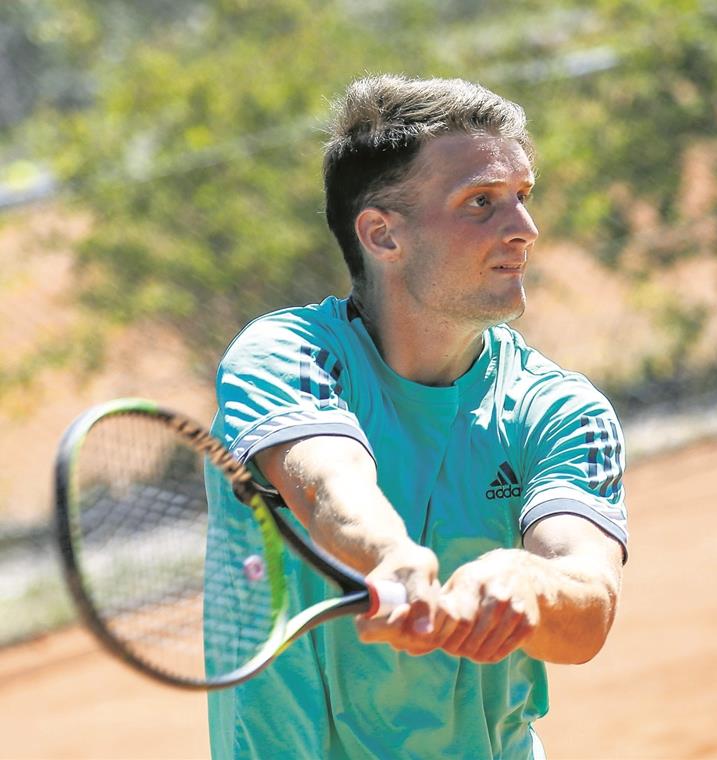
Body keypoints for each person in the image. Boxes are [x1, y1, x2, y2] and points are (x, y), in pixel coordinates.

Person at [204, 74, 629, 759]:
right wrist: (393, 560)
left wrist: (528, 584)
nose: (524, 230)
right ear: (382, 235)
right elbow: (326, 485)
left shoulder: (561, 409)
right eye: (481, 203)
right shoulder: (285, 355)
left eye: (522, 198)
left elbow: (588, 605)